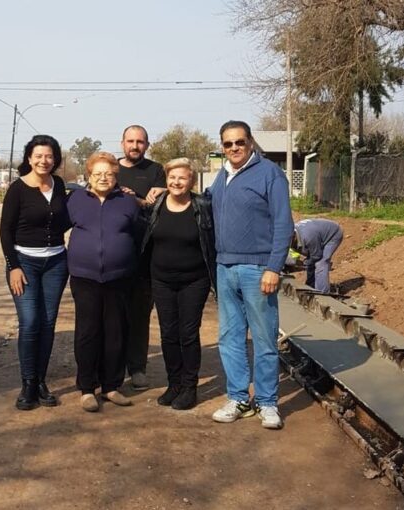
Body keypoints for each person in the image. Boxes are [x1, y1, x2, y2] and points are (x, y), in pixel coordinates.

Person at [207, 120, 293, 430]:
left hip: (258, 269)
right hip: (224, 267)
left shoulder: (270, 174)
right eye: (227, 144)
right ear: (222, 146)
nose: (234, 149)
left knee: (264, 338)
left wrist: (274, 266)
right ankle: (239, 398)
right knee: (229, 338)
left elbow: (284, 223)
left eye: (239, 142)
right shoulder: (222, 176)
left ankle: (268, 402)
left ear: (251, 142)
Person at [67, 152, 141, 412]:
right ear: (88, 176)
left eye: (108, 173)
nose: (103, 178)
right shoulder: (75, 200)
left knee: (116, 332)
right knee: (88, 333)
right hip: (84, 277)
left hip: (119, 278)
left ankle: (111, 386)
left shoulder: (128, 202)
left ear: (116, 176)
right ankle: (87, 388)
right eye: (97, 173)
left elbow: (138, 234)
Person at [0, 135, 70, 411]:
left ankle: (41, 381)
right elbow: (5, 230)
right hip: (24, 263)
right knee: (30, 322)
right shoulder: (18, 189)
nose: (44, 161)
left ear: (55, 159)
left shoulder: (59, 185)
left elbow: (65, 220)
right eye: (38, 156)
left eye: (49, 156)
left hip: (55, 263)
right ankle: (27, 384)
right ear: (29, 158)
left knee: (47, 323)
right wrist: (13, 266)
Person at [141, 158, 216, 411]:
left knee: (188, 334)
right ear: (166, 180)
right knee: (168, 334)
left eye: (182, 178)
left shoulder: (203, 205)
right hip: (161, 279)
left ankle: (189, 387)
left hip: (194, 281)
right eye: (172, 177)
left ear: (191, 181)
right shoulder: (156, 205)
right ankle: (173, 384)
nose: (176, 182)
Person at [116, 125, 166, 391]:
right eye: (130, 141)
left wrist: (140, 198)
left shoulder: (156, 171)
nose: (135, 146)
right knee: (113, 314)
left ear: (147, 145)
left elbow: (157, 204)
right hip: (115, 254)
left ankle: (137, 368)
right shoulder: (110, 169)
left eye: (140, 142)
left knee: (140, 314)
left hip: (146, 254)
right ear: (122, 142)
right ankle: (113, 367)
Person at [291, 218, 344, 294]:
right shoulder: (290, 232)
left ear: (294, 237)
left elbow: (317, 255)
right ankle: (310, 286)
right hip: (318, 234)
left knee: (321, 262)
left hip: (334, 234)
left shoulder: (308, 236)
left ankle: (322, 292)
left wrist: (307, 261)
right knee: (310, 262)